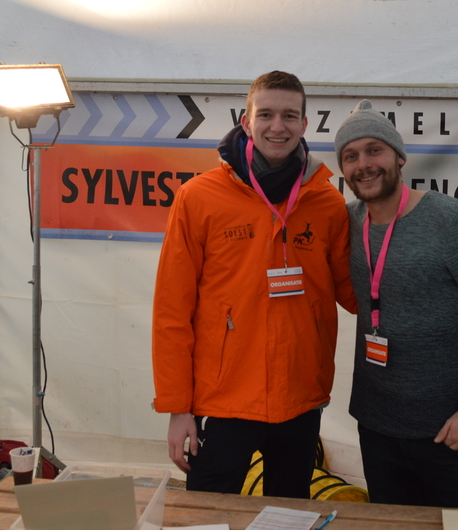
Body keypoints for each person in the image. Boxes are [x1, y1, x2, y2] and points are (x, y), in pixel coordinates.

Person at [152, 70, 356, 498]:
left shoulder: (327, 202)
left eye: (289, 116)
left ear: (305, 123)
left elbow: (352, 293)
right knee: (208, 518)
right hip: (223, 399)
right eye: (266, 115)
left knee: (288, 517)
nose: (277, 126)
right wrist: (177, 407)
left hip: (301, 397)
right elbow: (172, 309)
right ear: (246, 122)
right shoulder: (199, 197)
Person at [334, 99, 458, 510]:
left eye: (374, 150)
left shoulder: (451, 223)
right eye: (350, 156)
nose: (363, 165)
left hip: (448, 430)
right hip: (376, 427)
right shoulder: (345, 223)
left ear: (399, 156)